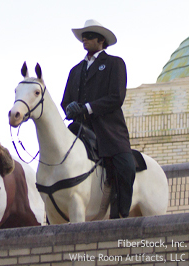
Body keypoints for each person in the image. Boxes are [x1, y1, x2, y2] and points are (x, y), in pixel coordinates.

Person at [61, 19, 135, 219]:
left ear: (101, 40)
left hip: (108, 129)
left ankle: (120, 213)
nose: (85, 39)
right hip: (79, 128)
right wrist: (70, 108)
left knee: (126, 166)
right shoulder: (75, 70)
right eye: (83, 36)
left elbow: (116, 97)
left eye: (90, 36)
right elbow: (65, 101)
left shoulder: (114, 63)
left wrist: (87, 107)